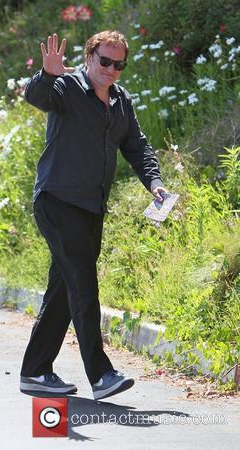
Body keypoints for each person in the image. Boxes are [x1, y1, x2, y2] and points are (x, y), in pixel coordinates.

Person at [20, 30, 167, 401]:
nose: (111, 69)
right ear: (89, 57)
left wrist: (155, 183)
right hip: (57, 201)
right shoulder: (66, 87)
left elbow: (137, 146)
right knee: (84, 285)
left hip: (91, 207)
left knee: (63, 290)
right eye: (105, 61)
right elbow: (36, 97)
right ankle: (101, 376)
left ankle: (35, 371)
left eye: (119, 64)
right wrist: (48, 74)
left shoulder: (120, 101)